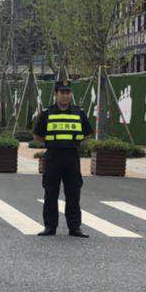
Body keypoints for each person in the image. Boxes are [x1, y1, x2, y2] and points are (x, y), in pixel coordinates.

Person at [32, 74, 93, 237]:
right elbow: (37, 135)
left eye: (68, 92)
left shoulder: (79, 113)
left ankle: (75, 228)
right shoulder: (47, 113)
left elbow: (88, 133)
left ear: (71, 94)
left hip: (72, 157)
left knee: (73, 193)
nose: (65, 95)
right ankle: (50, 227)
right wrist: (53, 142)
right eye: (62, 92)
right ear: (55, 94)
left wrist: (73, 141)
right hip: (53, 157)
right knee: (50, 193)